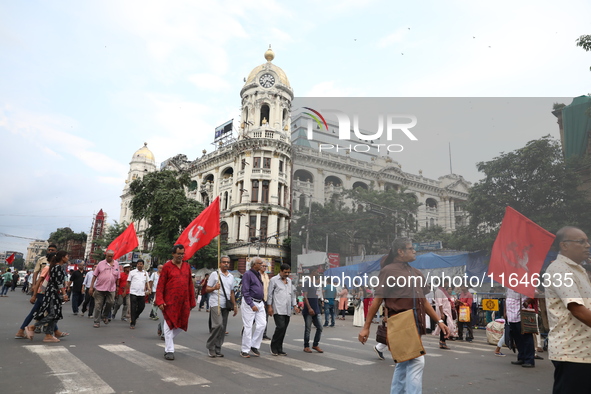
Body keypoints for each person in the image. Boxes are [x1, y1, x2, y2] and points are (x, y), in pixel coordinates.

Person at [358, 238, 450, 394]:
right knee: (417, 361)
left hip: (416, 323)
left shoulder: (416, 273)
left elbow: (424, 302)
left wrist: (439, 320)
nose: (414, 251)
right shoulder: (388, 271)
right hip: (400, 323)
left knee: (404, 362)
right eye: (410, 248)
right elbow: (377, 300)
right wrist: (365, 327)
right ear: (400, 252)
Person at [545, 226, 591, 393]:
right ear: (564, 245)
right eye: (581, 242)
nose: (587, 245)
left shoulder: (579, 270)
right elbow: (577, 309)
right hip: (572, 352)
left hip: (584, 351)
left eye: (587, 241)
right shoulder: (560, 269)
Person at [155, 245, 196, 361]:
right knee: (168, 325)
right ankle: (169, 350)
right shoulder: (167, 267)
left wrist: (192, 301)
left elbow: (190, 284)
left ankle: (168, 339)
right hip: (169, 302)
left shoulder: (187, 266)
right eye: (178, 253)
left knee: (182, 324)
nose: (181, 256)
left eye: (182, 254)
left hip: (184, 302)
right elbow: (160, 285)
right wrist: (160, 301)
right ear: (173, 254)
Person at [27, 251, 70, 342]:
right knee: (53, 314)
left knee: (55, 314)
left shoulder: (57, 267)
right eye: (67, 256)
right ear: (62, 257)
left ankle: (48, 335)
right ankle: (33, 327)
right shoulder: (57, 267)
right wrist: (64, 293)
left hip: (53, 292)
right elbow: (58, 282)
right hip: (52, 293)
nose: (68, 258)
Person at [206, 256, 237, 357]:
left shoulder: (231, 276)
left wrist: (235, 305)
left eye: (228, 262)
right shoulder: (215, 274)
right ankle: (210, 346)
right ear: (220, 264)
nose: (226, 264)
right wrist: (214, 288)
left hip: (226, 304)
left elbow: (231, 292)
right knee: (218, 325)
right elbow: (207, 289)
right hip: (216, 302)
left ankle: (218, 348)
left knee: (223, 327)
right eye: (224, 262)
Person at [267, 263, 299, 356]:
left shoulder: (289, 281)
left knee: (284, 329)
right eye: (285, 272)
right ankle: (273, 346)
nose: (287, 274)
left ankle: (279, 348)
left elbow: (292, 294)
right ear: (280, 271)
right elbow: (270, 294)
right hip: (278, 308)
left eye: (288, 272)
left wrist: (295, 305)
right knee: (280, 327)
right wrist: (269, 306)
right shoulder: (274, 280)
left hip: (287, 308)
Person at [240, 256, 267, 358]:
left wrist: (263, 303)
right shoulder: (248, 274)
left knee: (262, 324)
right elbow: (245, 291)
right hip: (250, 302)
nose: (262, 265)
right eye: (260, 264)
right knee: (248, 326)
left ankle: (254, 345)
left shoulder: (258, 274)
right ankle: (245, 349)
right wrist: (251, 304)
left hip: (259, 302)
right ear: (254, 264)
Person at [89, 250, 120, 328]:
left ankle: (104, 315)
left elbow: (118, 277)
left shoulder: (116, 264)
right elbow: (95, 276)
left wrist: (117, 287)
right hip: (100, 287)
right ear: (106, 256)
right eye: (108, 256)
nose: (110, 257)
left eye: (111, 256)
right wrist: (91, 287)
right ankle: (96, 321)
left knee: (111, 302)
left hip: (111, 288)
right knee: (98, 305)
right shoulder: (101, 264)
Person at [506, 287, 535, 368]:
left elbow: (535, 294)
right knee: (517, 338)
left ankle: (529, 360)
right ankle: (521, 357)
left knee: (526, 338)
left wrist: (527, 302)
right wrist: (505, 312)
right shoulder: (508, 286)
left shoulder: (524, 283)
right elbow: (507, 298)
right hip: (511, 315)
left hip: (521, 315)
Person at [302, 267, 324, 353]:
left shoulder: (316, 283)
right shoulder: (306, 283)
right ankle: (306, 346)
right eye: (317, 272)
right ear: (313, 272)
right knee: (308, 329)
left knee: (320, 327)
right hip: (308, 310)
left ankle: (315, 344)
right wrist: (309, 308)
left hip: (316, 308)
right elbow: (305, 296)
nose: (318, 274)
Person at [126, 259, 150, 329]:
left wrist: (149, 288)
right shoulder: (132, 272)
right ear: (137, 265)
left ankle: (134, 317)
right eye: (138, 264)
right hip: (133, 292)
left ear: (143, 265)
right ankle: (132, 322)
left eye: (141, 264)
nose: (140, 265)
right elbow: (128, 282)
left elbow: (147, 282)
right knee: (133, 307)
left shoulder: (145, 273)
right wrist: (126, 291)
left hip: (141, 293)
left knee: (141, 307)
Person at [433, 284, 457, 349]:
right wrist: (442, 313)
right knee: (445, 328)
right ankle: (442, 342)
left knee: (444, 328)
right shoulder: (439, 291)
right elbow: (440, 303)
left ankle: (442, 342)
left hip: (446, 312)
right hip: (444, 312)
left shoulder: (445, 293)